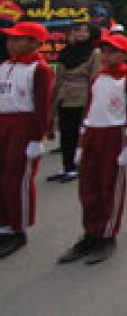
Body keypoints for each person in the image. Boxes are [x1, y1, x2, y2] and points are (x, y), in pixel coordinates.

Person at [58, 34, 127, 265]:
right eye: (104, 51)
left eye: (113, 51)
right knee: (88, 188)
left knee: (109, 187)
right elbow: (88, 113)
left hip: (114, 136)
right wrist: (81, 145)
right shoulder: (97, 79)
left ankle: (107, 236)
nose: (107, 55)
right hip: (93, 134)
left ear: (125, 54)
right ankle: (90, 233)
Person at [0, 22, 54, 258]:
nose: (11, 44)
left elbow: (42, 107)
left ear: (34, 43)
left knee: (17, 177)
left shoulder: (39, 69)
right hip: (3, 122)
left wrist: (36, 137)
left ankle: (18, 228)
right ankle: (3, 223)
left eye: (17, 39)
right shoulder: (4, 66)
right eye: (10, 39)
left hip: (23, 126)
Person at [48, 24, 100, 182]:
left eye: (85, 31)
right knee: (65, 132)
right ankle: (66, 165)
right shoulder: (66, 52)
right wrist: (54, 97)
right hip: (65, 95)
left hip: (82, 95)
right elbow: (59, 76)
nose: (81, 34)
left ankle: (76, 165)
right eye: (78, 30)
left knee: (77, 132)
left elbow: (95, 76)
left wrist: (93, 98)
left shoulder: (94, 53)